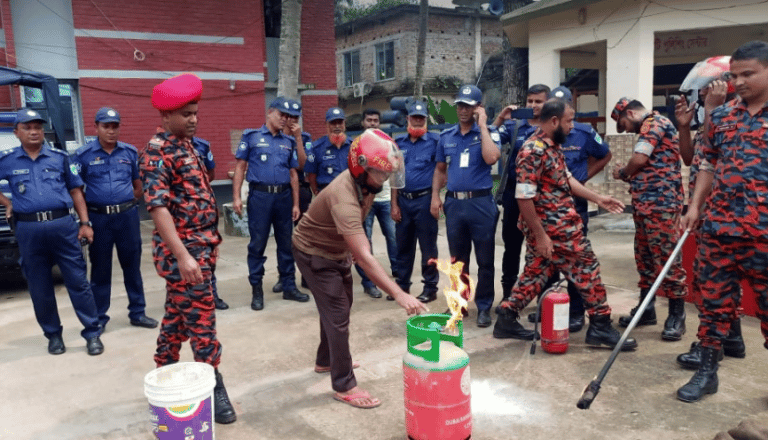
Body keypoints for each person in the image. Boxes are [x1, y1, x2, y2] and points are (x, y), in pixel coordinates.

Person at [292, 128, 428, 409]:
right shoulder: (344, 195)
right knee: (338, 312)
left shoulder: (366, 185)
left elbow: (359, 245)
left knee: (338, 308)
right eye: (381, 173)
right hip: (313, 252)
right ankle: (344, 384)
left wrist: (352, 252)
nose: (386, 178)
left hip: (335, 249)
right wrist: (400, 294)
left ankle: (325, 360)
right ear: (360, 167)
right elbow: (365, 258)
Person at [492, 99, 637, 352]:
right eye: (569, 120)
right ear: (555, 121)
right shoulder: (532, 151)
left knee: (536, 273)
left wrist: (598, 197)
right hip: (556, 229)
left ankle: (506, 317)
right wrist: (541, 236)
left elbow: (568, 180)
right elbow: (523, 197)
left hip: (558, 225)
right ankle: (600, 324)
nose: (573, 126)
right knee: (587, 267)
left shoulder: (553, 146)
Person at [139, 73, 235, 424]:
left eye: (195, 112)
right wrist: (183, 255)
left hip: (201, 248)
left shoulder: (191, 146)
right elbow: (157, 207)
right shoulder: (156, 151)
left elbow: (200, 195)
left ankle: (163, 370)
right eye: (185, 114)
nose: (192, 119)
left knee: (178, 318)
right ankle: (215, 387)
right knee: (203, 322)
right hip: (183, 253)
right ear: (165, 117)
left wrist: (209, 247)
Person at [676, 41, 768, 403]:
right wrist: (694, 207)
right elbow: (707, 164)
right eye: (734, 75)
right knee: (713, 306)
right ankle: (707, 372)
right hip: (718, 230)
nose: (739, 82)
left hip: (763, 234)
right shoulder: (723, 116)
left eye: (748, 74)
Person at [0, 108, 103, 356]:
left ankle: (92, 333)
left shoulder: (59, 157)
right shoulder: (7, 160)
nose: (34, 131)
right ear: (17, 132)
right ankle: (53, 335)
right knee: (39, 286)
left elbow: (76, 191)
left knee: (78, 282)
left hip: (63, 228)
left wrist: (85, 223)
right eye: (27, 127)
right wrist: (7, 203)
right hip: (28, 229)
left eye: (37, 127)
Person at [673, 58, 745, 370]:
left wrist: (713, 111)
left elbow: (728, 157)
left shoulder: (735, 118)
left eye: (708, 89)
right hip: (705, 212)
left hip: (727, 215)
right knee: (711, 279)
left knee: (719, 280)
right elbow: (692, 159)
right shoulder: (713, 119)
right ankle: (731, 338)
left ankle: (720, 341)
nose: (702, 94)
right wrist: (685, 127)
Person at [73, 107, 158, 330]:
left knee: (132, 266)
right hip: (99, 219)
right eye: (106, 126)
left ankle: (138, 312)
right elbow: (76, 190)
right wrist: (85, 221)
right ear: (96, 128)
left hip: (127, 218)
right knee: (100, 269)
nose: (111, 131)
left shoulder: (129, 153)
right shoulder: (83, 155)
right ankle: (99, 318)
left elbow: (138, 185)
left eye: (115, 126)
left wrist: (126, 202)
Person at [536, 86, 613, 333]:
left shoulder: (583, 132)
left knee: (577, 261)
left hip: (574, 207)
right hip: (547, 209)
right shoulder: (540, 141)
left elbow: (603, 155)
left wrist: (585, 179)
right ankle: (546, 307)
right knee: (546, 261)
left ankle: (576, 312)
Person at [611, 97, 688, 341]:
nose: (627, 129)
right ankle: (646, 310)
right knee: (644, 257)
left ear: (631, 113)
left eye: (624, 124)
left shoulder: (655, 124)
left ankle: (677, 315)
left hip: (662, 204)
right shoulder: (650, 126)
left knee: (667, 257)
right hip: (645, 205)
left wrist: (623, 173)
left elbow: (640, 159)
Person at [431, 85, 501, 328]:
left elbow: (492, 158)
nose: (463, 110)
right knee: (457, 261)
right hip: (454, 204)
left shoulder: (488, 133)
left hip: (480, 203)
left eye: (469, 106)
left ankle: (484, 307)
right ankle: (460, 305)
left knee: (485, 260)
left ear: (478, 108)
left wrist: (482, 125)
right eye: (460, 105)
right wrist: (435, 196)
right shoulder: (446, 137)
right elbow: (440, 169)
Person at [232, 97, 308, 311]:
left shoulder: (288, 141)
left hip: (283, 197)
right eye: (281, 115)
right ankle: (257, 290)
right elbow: (240, 167)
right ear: (270, 113)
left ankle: (289, 287)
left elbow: (294, 173)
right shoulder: (252, 137)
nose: (285, 119)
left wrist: (295, 204)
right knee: (257, 245)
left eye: (287, 116)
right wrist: (237, 197)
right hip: (260, 198)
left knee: (286, 244)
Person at [490, 84, 549, 309]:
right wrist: (500, 118)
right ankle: (508, 296)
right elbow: (490, 137)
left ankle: (542, 297)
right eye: (530, 101)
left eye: (539, 101)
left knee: (541, 248)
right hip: (515, 195)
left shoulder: (550, 128)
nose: (533, 106)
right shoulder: (514, 127)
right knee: (512, 246)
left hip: (542, 198)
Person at [392, 101, 440, 303]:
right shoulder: (398, 144)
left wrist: (436, 198)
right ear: (407, 119)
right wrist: (394, 204)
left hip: (425, 200)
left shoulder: (435, 142)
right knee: (403, 246)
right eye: (414, 118)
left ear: (426, 120)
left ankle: (430, 287)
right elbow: (395, 175)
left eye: (422, 118)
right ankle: (402, 286)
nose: (418, 121)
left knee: (428, 247)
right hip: (403, 201)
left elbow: (441, 171)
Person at [355, 108, 398, 299]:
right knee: (366, 242)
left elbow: (396, 172)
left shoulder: (388, 143)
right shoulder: (358, 145)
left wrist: (395, 201)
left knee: (393, 237)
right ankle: (369, 282)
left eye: (375, 120)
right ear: (363, 123)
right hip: (367, 200)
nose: (372, 123)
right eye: (369, 120)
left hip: (386, 198)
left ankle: (397, 274)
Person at [271, 98, 312, 292]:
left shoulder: (305, 137)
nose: (292, 121)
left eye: (296, 117)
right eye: (289, 117)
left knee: (304, 236)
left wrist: (297, 139)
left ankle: (307, 276)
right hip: (282, 191)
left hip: (302, 191)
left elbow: (303, 165)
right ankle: (285, 276)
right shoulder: (275, 137)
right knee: (283, 238)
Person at [191, 136, 229, 310]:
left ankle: (212, 296)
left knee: (209, 254)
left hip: (202, 207)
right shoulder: (165, 147)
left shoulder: (202, 146)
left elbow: (211, 173)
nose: (191, 120)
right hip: (180, 210)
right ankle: (188, 299)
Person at [305, 107, 352, 195]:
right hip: (327, 193)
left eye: (340, 122)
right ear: (326, 125)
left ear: (344, 124)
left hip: (349, 192)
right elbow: (311, 175)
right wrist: (317, 193)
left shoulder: (353, 146)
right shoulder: (316, 148)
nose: (337, 126)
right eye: (333, 123)